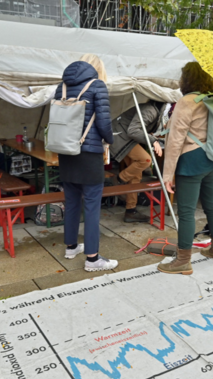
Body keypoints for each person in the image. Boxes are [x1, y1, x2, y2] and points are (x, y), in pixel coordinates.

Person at [158, 62, 213, 275]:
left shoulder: (187, 102)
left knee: (186, 212)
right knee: (212, 205)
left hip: (191, 161)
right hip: (212, 159)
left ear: (187, 79)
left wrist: (167, 174)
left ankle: (183, 260)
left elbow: (175, 141)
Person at [56, 54, 118, 271]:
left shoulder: (61, 86)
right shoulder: (97, 85)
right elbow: (103, 122)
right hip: (88, 153)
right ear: (97, 68)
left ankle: (71, 247)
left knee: (72, 201)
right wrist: (110, 139)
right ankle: (93, 259)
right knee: (92, 205)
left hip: (65, 150)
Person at [111, 101, 165, 222]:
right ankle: (119, 179)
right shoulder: (151, 110)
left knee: (136, 175)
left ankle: (130, 210)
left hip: (122, 136)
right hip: (121, 137)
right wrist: (152, 140)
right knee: (145, 160)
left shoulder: (153, 108)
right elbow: (133, 131)